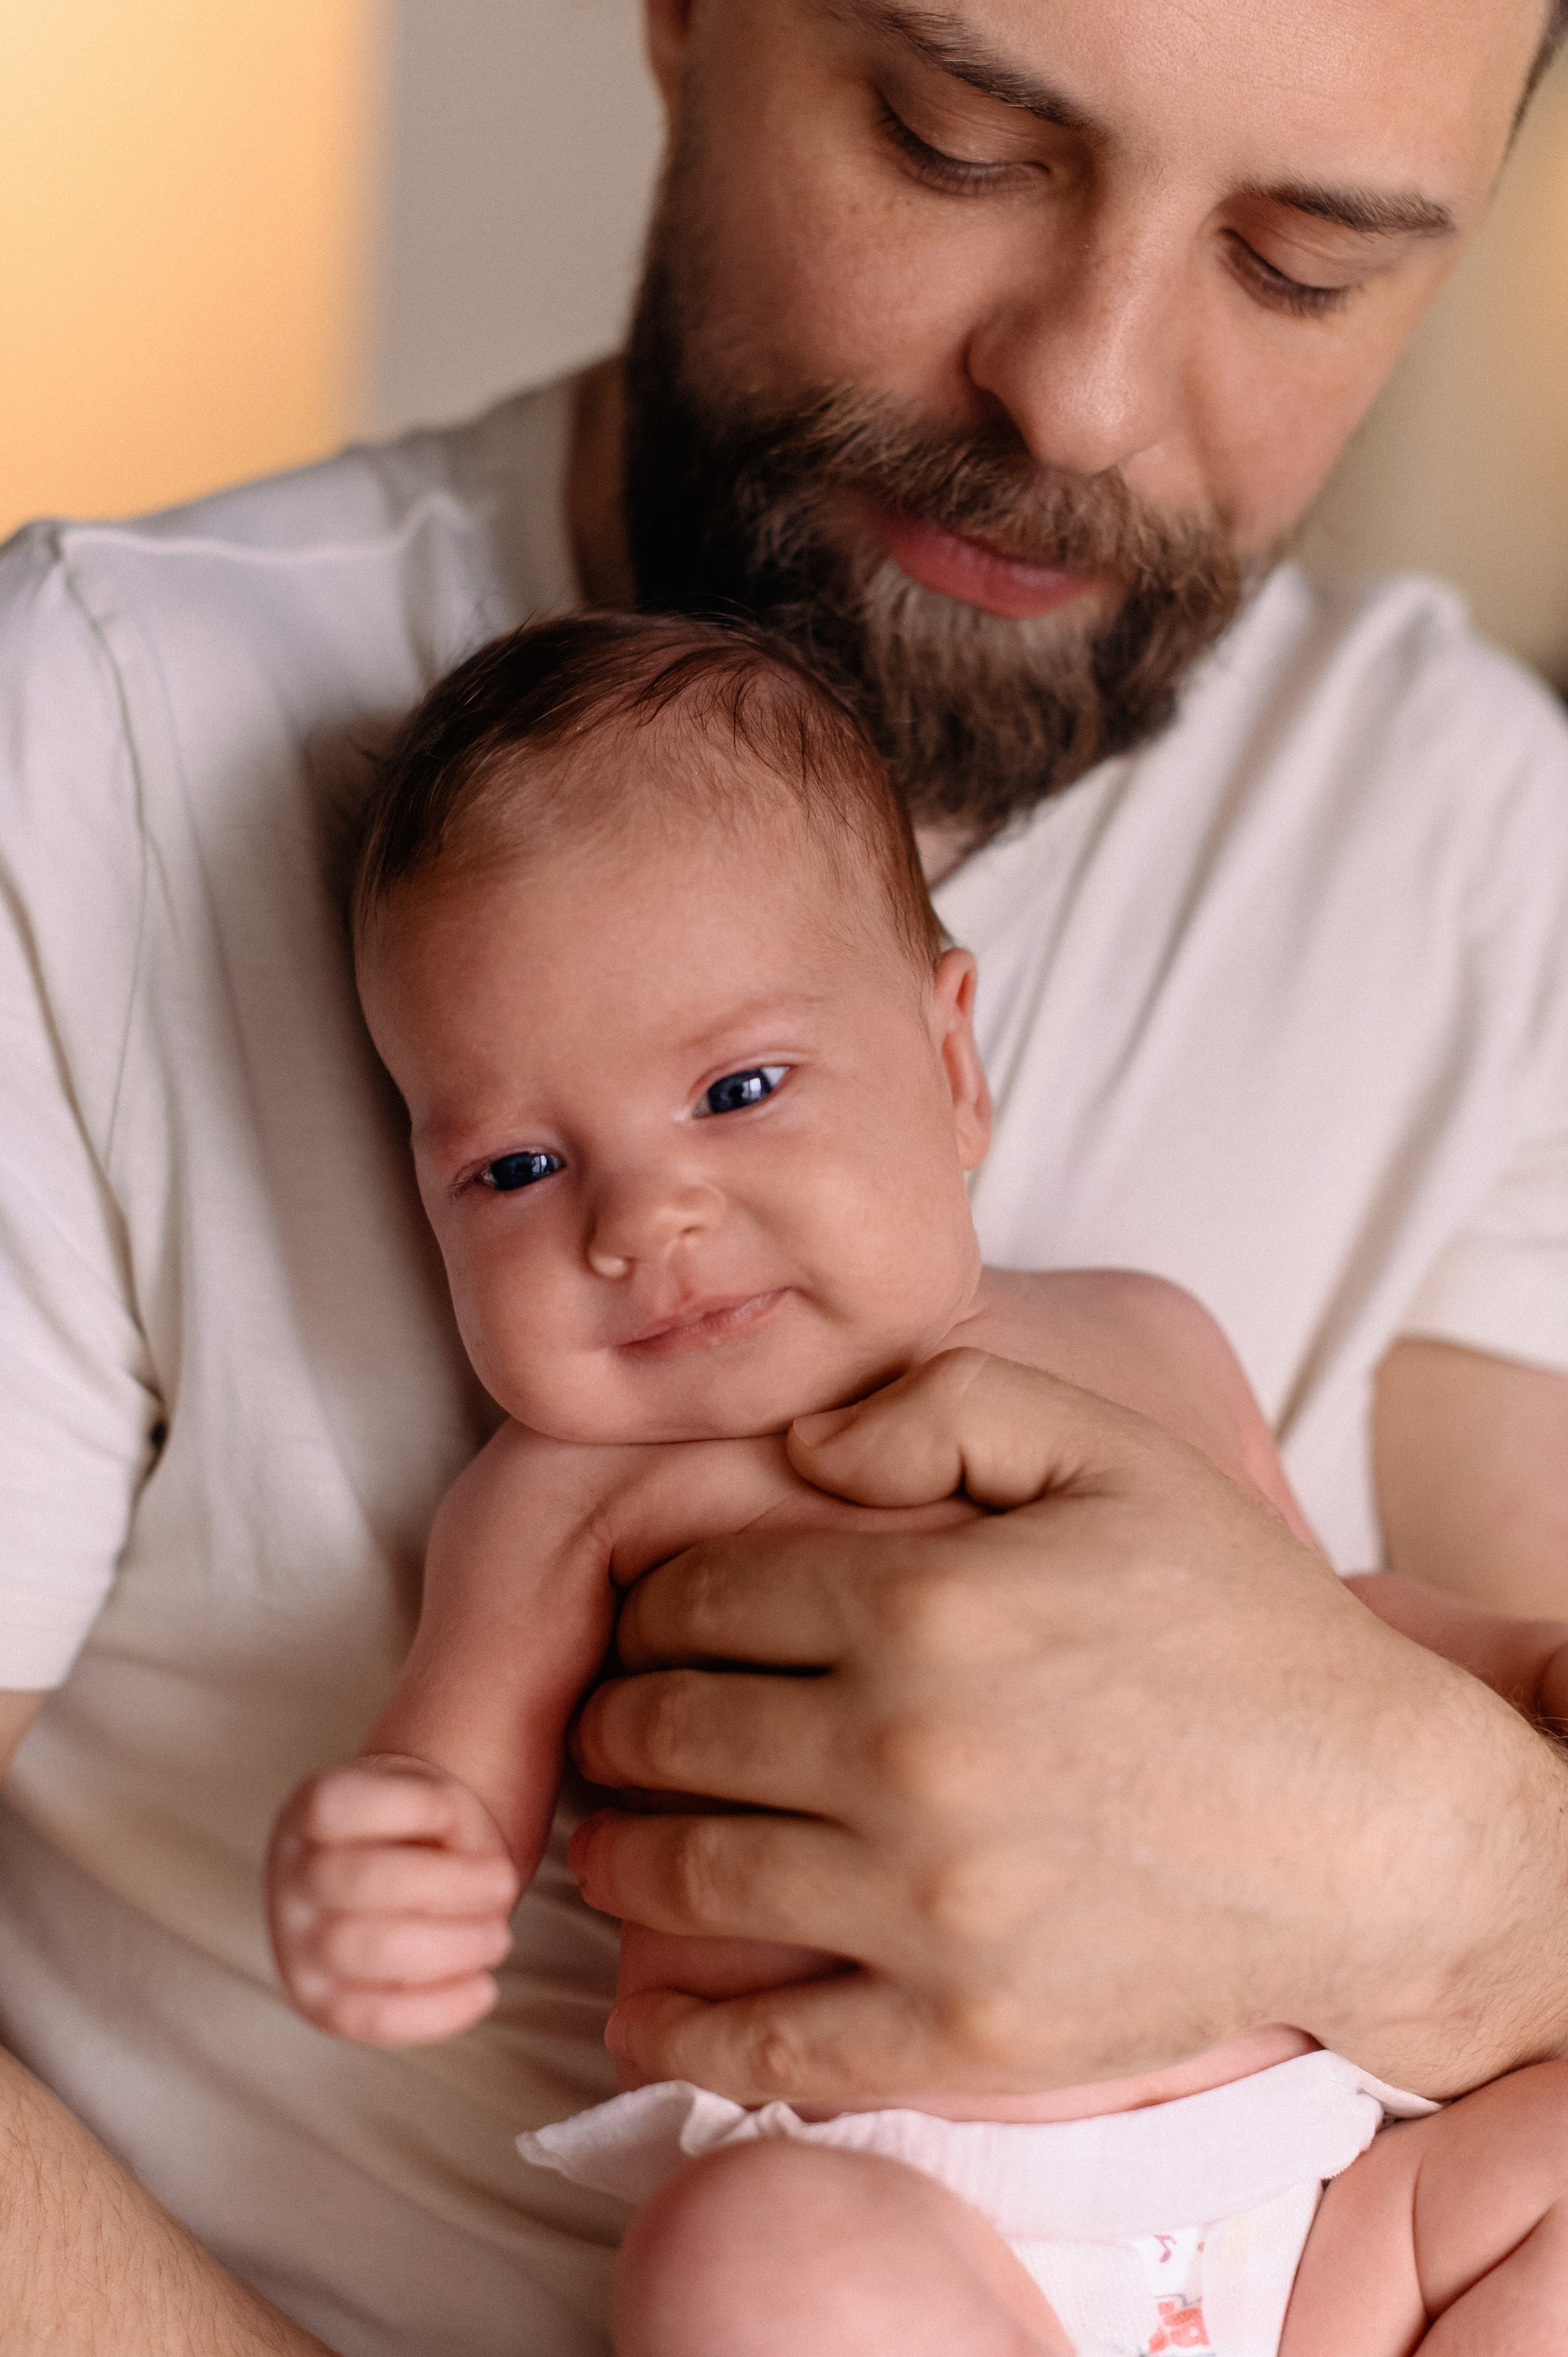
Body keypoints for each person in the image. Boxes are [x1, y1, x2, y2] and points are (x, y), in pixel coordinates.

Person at [1, 0, 1567, 2350]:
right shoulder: (107, 738)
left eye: (1299, 264)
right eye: (960, 145)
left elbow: (1472, 1671)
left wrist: (1467, 1862)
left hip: (1293, 2237)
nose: (1088, 394)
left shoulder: (1450, 820)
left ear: (955, 1058)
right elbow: (440, 1774)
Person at [265, 606, 1568, 2357]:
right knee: (746, 2257)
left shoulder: (1148, 1343)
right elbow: (449, 1780)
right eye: (514, 1165)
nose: (643, 1217)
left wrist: (1509, 1661)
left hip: (1327, 2208)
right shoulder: (562, 1498)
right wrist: (391, 1867)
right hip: (922, 2228)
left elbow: (1320, 1642)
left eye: (737, 1088)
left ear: (953, 1065)